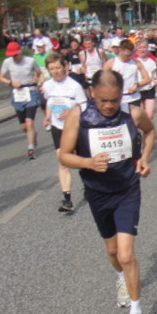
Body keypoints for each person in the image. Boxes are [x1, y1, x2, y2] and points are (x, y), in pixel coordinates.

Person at [59, 70, 155, 314]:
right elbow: (64, 155)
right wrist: (88, 163)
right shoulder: (78, 116)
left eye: (114, 100)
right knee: (112, 251)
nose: (109, 106)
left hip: (127, 189)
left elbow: (149, 131)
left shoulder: (133, 114)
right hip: (98, 192)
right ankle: (120, 279)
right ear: (92, 93)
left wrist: (144, 158)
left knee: (126, 254)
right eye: (103, 100)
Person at [41, 52, 87, 213]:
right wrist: (48, 116)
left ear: (65, 67)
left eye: (58, 68)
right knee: (63, 161)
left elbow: (84, 106)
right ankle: (67, 199)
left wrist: (72, 113)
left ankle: (88, 184)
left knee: (81, 159)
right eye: (52, 69)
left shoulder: (74, 86)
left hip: (74, 127)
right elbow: (49, 102)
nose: (56, 71)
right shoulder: (47, 86)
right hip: (57, 127)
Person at [0, 41, 42, 159]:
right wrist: (11, 82)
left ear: (20, 51)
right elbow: (1, 77)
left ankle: (31, 148)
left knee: (29, 122)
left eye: (15, 55)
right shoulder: (7, 62)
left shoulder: (30, 61)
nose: (14, 57)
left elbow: (39, 73)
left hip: (30, 91)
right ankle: (32, 134)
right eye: (11, 55)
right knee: (24, 127)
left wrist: (36, 78)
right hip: (17, 94)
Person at [103, 39, 150, 109]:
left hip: (133, 98)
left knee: (135, 119)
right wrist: (112, 77)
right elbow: (101, 80)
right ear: (121, 50)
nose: (129, 57)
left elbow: (147, 79)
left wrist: (136, 85)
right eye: (127, 55)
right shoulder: (111, 63)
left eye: (131, 54)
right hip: (118, 98)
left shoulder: (136, 62)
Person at [134, 39, 157, 120]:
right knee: (139, 116)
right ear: (137, 49)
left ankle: (148, 132)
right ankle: (138, 132)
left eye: (144, 47)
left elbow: (156, 75)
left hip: (149, 89)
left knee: (149, 115)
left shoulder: (152, 62)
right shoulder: (134, 62)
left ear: (147, 48)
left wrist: (156, 80)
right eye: (140, 48)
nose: (142, 49)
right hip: (138, 90)